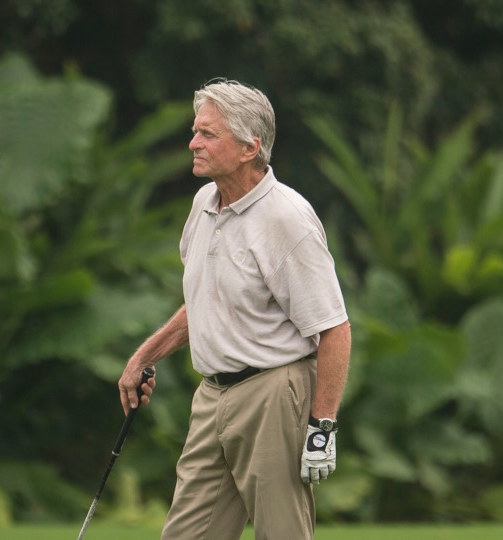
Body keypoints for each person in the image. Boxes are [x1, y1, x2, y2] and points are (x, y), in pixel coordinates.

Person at [119, 78, 351, 539]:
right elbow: (205, 301)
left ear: (250, 147)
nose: (193, 143)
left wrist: (322, 427)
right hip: (211, 399)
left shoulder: (287, 218)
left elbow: (334, 329)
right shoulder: (204, 202)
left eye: (208, 134)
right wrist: (144, 356)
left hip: (273, 396)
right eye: (195, 130)